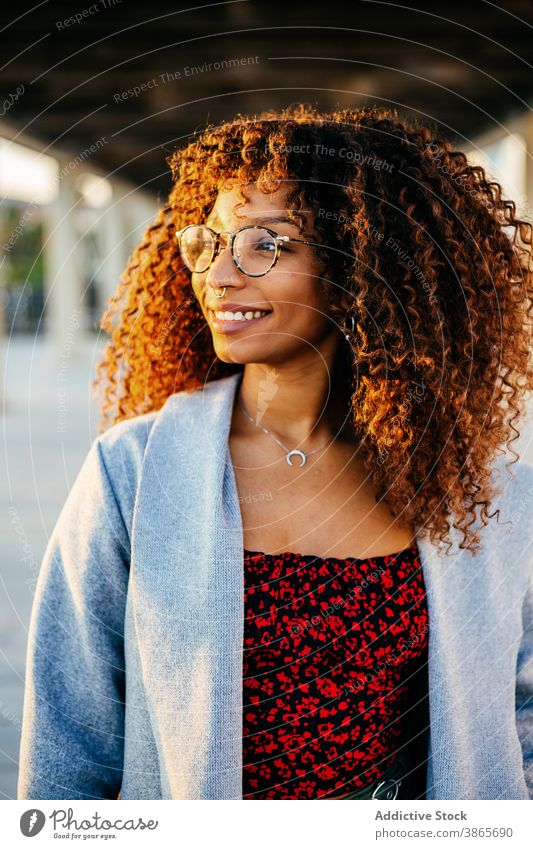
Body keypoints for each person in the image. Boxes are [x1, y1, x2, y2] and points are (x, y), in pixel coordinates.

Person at [18, 103, 533, 800]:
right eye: (207, 243)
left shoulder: (482, 490)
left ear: (360, 262)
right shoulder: (132, 473)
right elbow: (68, 739)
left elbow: (519, 710)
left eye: (264, 245)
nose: (219, 276)